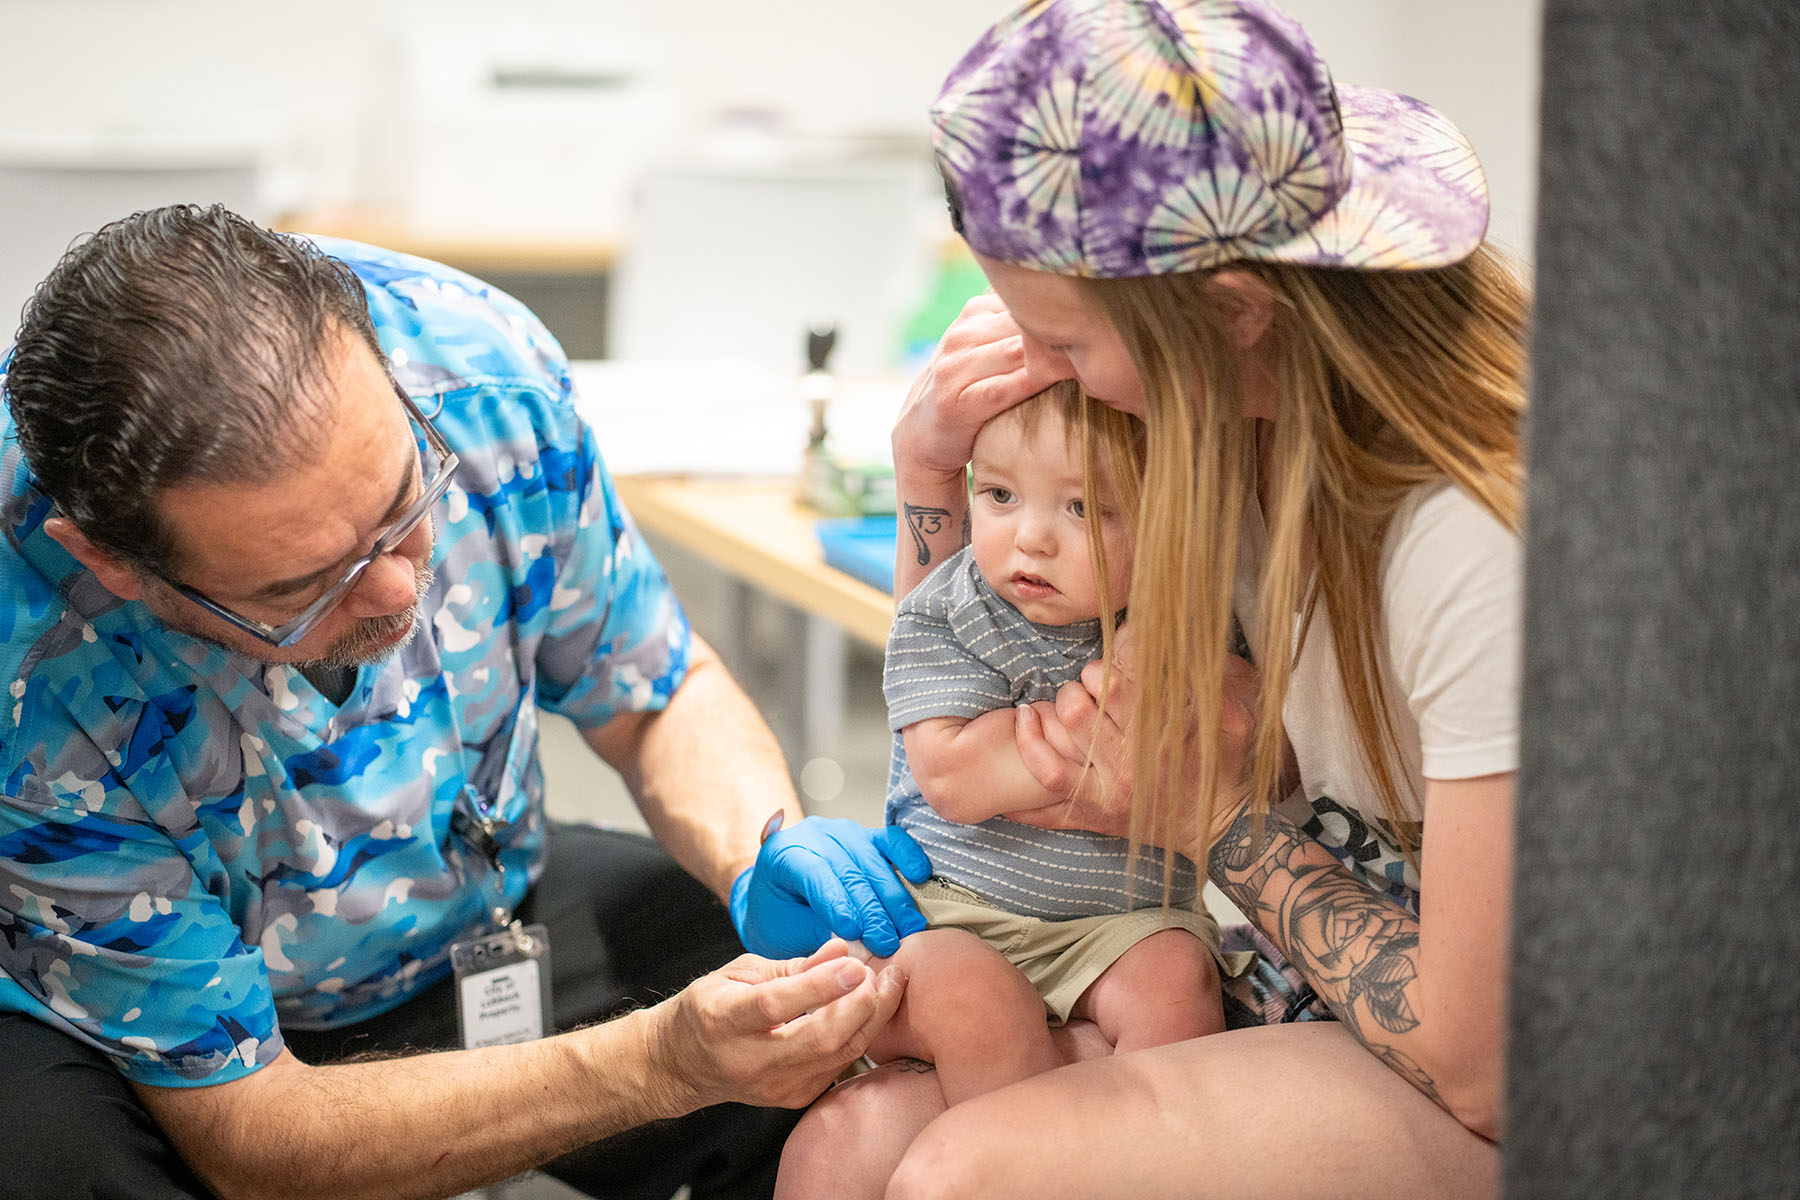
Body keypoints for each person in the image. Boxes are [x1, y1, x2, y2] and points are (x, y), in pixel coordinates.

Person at [0, 203, 933, 1200]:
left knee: (832, 1021)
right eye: (300, 590)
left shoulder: (480, 370)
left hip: (478, 909)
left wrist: (761, 854)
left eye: (405, 503)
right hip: (157, 1034)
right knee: (53, 1168)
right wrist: (656, 1067)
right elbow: (256, 1136)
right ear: (116, 565)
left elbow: (654, 696)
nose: (402, 594)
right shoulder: (31, 669)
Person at [777, 0, 1527, 1195]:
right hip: (1298, 971)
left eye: (1063, 346)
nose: (1042, 379)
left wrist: (1217, 817)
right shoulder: (1219, 436)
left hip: (1520, 1066)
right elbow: (963, 709)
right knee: (847, 1147)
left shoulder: (1471, 540)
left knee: (960, 1174)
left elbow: (1486, 1063)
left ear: (1233, 316)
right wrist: (930, 469)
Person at [861, 379, 1247, 1108]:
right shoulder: (950, 605)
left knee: (1179, 982)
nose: (1031, 538)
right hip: (954, 910)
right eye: (1000, 495)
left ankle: (1148, 1165)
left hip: (1124, 923)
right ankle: (1013, 1166)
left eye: (1084, 508)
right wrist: (1120, 741)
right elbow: (952, 778)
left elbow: (1220, 759)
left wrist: (1035, 743)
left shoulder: (1192, 621)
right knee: (973, 1002)